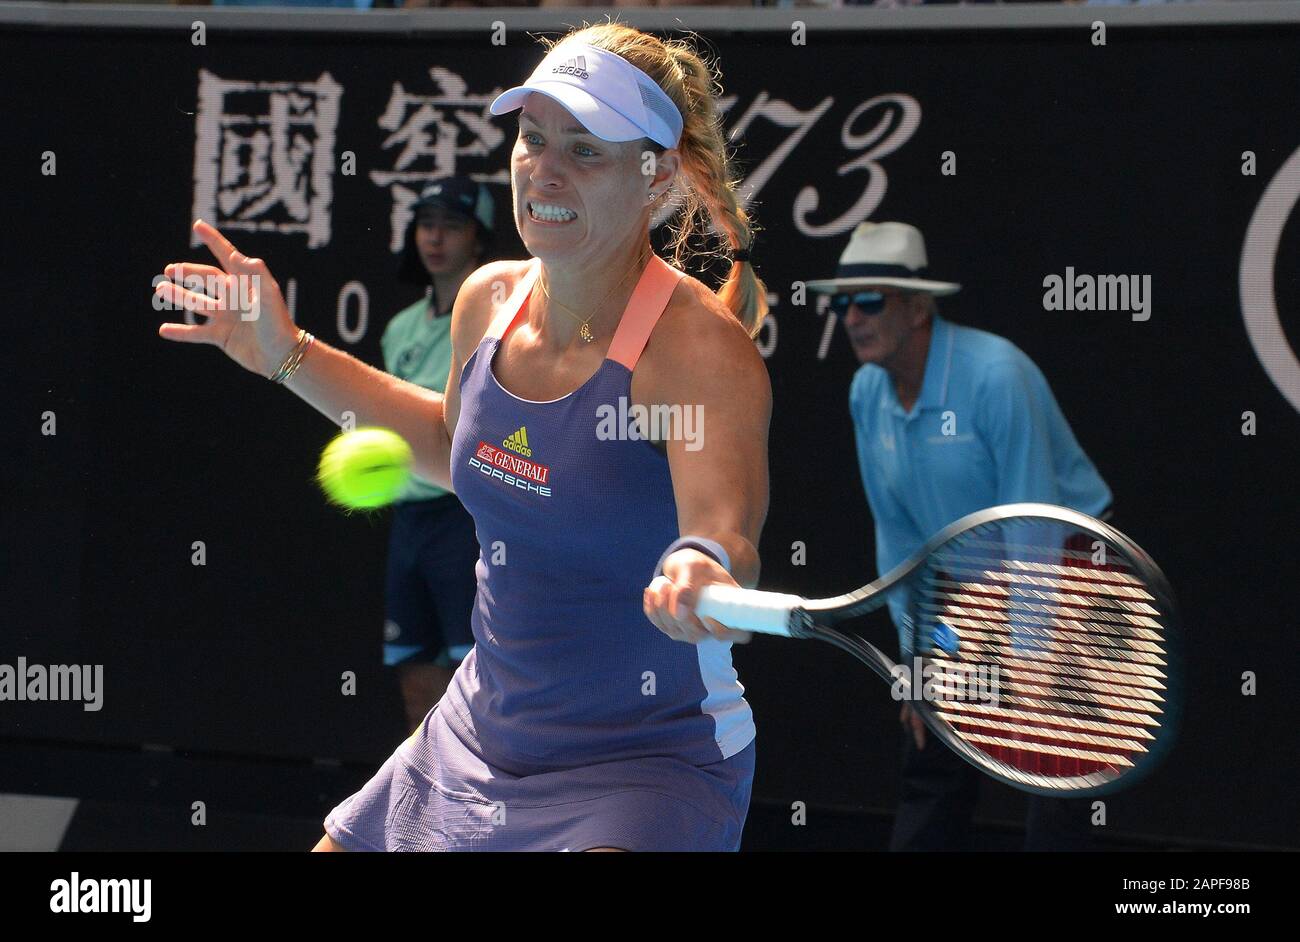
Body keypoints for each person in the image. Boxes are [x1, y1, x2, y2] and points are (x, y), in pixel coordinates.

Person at [156, 22, 771, 852]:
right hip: (478, 733)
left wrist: (700, 567)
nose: (544, 170)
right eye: (533, 138)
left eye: (585, 151)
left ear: (654, 179)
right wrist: (284, 353)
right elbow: (457, 448)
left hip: (645, 761)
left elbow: (721, 525)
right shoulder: (488, 301)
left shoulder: (695, 352)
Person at [807, 221, 1112, 851]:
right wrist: (919, 660)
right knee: (933, 740)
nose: (851, 318)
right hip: (967, 579)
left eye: (870, 300)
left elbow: (1035, 528)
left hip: (1070, 570)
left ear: (919, 308)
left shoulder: (998, 376)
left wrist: (1030, 652)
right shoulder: (866, 392)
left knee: (1059, 765)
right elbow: (898, 539)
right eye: (842, 302)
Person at [381, 176, 496, 731]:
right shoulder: (399, 328)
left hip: (466, 519)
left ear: (479, 239)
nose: (436, 238)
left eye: (452, 226)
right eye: (427, 225)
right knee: (415, 672)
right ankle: (421, 810)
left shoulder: (501, 320)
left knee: (473, 678)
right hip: (409, 523)